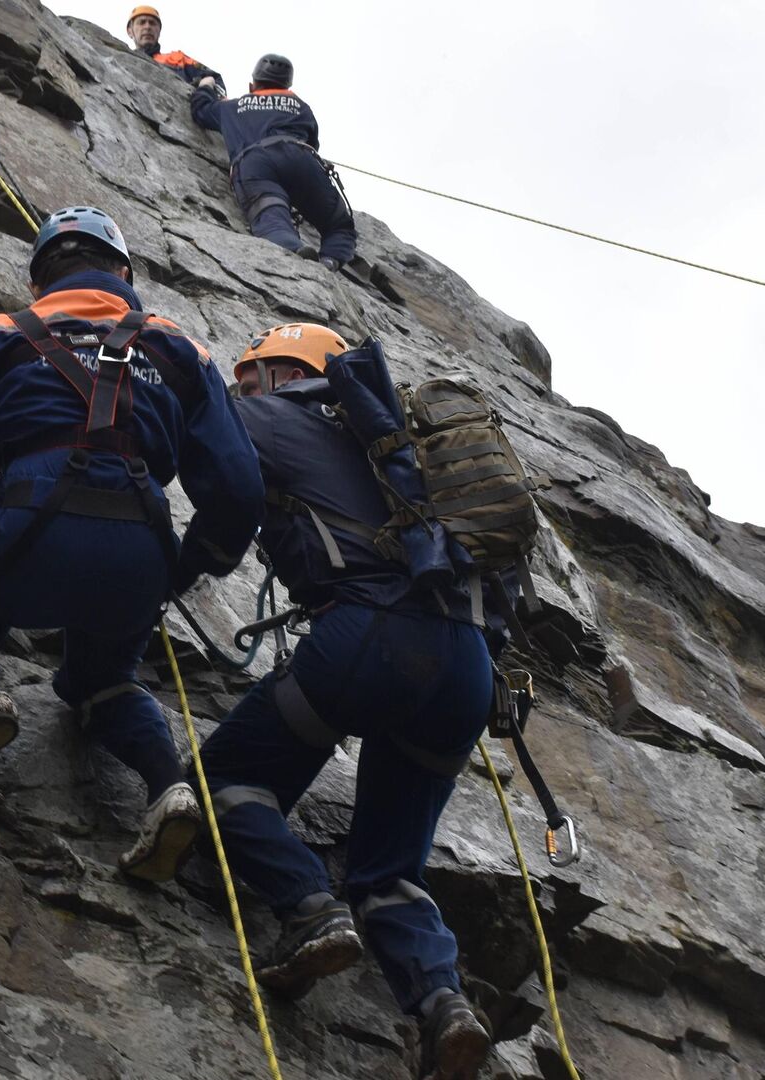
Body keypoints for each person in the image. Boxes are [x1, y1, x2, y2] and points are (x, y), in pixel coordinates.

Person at [0, 206, 263, 882]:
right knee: (104, 679)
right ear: (123, 273)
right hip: (139, 553)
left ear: (38, 285)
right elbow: (239, 490)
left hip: (26, 537)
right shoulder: (182, 347)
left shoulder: (0, 337)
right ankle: (166, 785)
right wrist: (182, 572)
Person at [196, 324, 496, 1079]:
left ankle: (309, 909)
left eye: (249, 374)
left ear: (278, 373)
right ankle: (443, 1005)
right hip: (466, 667)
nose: (241, 388)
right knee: (391, 868)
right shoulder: (407, 452)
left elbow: (199, 453)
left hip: (368, 638)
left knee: (227, 778)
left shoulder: (267, 417)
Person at [191, 55, 358, 270]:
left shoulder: (233, 107)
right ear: (287, 85)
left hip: (255, 163)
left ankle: (290, 247)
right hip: (301, 158)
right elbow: (313, 142)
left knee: (271, 215)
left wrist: (206, 85)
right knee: (339, 225)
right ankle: (328, 262)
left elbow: (200, 110)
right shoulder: (301, 107)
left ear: (252, 85)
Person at [124, 5, 223, 93]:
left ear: (159, 31)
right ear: (130, 31)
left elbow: (215, 79)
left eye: (152, 23)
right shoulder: (122, 61)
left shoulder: (178, 59)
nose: (147, 27)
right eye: (141, 22)